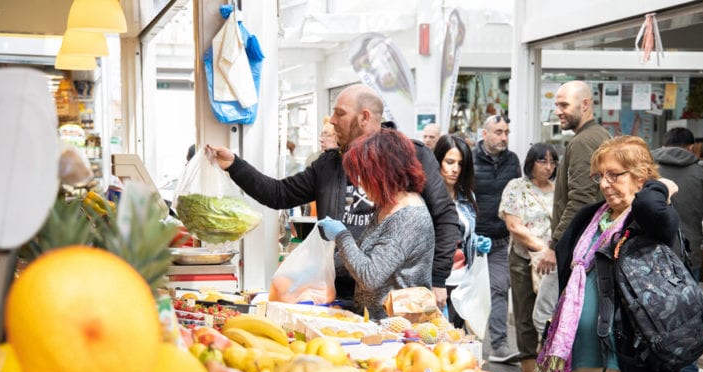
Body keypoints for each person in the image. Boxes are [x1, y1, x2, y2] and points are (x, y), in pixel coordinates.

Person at [208, 84, 458, 310]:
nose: (333, 121)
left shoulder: (410, 156)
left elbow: (444, 216)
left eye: (340, 113)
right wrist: (234, 165)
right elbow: (278, 194)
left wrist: (438, 279)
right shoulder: (328, 164)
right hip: (338, 289)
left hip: (395, 303)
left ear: (364, 117)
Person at [537, 135, 680, 372]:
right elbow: (567, 273)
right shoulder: (588, 217)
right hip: (581, 351)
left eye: (614, 175)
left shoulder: (647, 223)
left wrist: (659, 186)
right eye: (600, 176)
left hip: (625, 355)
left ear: (640, 178)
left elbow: (654, 211)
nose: (604, 184)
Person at [317, 129, 434, 319]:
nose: (360, 183)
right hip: (373, 323)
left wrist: (341, 236)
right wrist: (319, 265)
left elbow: (371, 277)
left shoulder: (408, 218)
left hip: (397, 329)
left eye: (365, 175)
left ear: (384, 174)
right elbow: (361, 255)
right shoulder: (387, 206)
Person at [652, 127, 703, 372]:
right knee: (689, 316)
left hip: (651, 255)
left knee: (650, 313)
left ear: (665, 144)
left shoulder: (649, 169)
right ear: (692, 147)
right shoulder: (702, 175)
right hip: (688, 256)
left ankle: (656, 371)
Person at [534, 81, 611, 340]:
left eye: (564, 104)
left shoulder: (583, 142)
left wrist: (555, 245)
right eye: (557, 104)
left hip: (575, 247)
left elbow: (581, 199)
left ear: (586, 104)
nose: (558, 111)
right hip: (586, 246)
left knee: (545, 316)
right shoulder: (597, 136)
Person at [499, 143, 557, 372]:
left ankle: (551, 369)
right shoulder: (517, 187)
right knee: (525, 314)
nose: (548, 167)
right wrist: (543, 248)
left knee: (551, 313)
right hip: (524, 259)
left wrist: (552, 251)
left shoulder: (557, 190)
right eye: (542, 161)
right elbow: (514, 226)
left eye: (553, 162)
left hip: (552, 261)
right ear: (531, 162)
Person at [472, 114, 522, 363]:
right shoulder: (470, 159)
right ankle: (465, 342)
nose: (503, 137)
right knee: (466, 291)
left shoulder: (513, 161)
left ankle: (500, 346)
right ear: (485, 134)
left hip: (500, 242)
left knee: (500, 290)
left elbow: (516, 197)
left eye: (506, 132)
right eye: (498, 132)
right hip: (472, 241)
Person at [433, 134, 492, 327]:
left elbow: (465, 236)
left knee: (460, 340)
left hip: (463, 281)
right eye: (449, 162)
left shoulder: (467, 197)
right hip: (434, 281)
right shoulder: (427, 199)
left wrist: (477, 242)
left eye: (460, 164)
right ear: (438, 161)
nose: (455, 169)